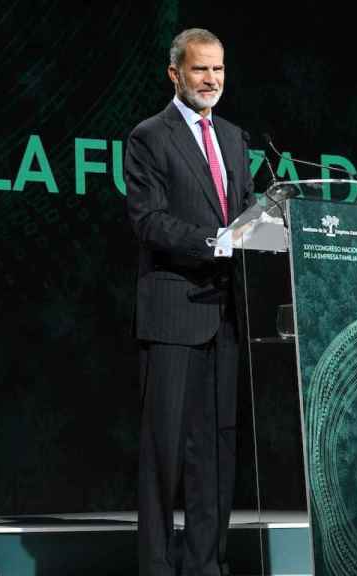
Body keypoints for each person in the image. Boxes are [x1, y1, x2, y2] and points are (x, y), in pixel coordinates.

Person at [125, 28, 255, 576]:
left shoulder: (235, 137)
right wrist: (215, 242)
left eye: (219, 70)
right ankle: (157, 568)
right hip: (174, 315)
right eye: (201, 70)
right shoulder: (149, 137)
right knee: (165, 457)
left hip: (224, 317)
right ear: (175, 73)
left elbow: (244, 209)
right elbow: (148, 220)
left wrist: (265, 226)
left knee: (216, 458)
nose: (212, 81)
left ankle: (207, 566)